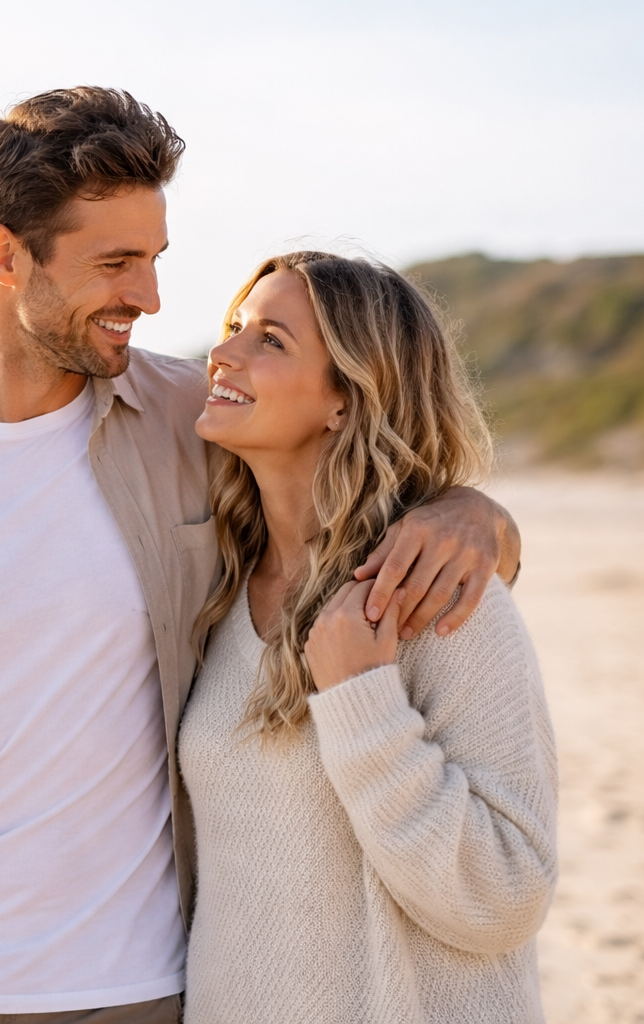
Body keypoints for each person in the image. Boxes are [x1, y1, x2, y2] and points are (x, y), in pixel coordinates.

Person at [0, 88, 522, 1024]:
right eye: (116, 262)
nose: (151, 298)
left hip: (133, 991)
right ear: (5, 256)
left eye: (155, 258)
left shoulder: (189, 423)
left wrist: (467, 510)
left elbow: (352, 459)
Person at [179, 252, 556, 1022]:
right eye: (233, 328)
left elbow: (506, 897)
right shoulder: (213, 594)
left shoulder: (439, 602)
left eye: (271, 340)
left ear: (346, 403)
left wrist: (363, 703)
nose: (223, 354)